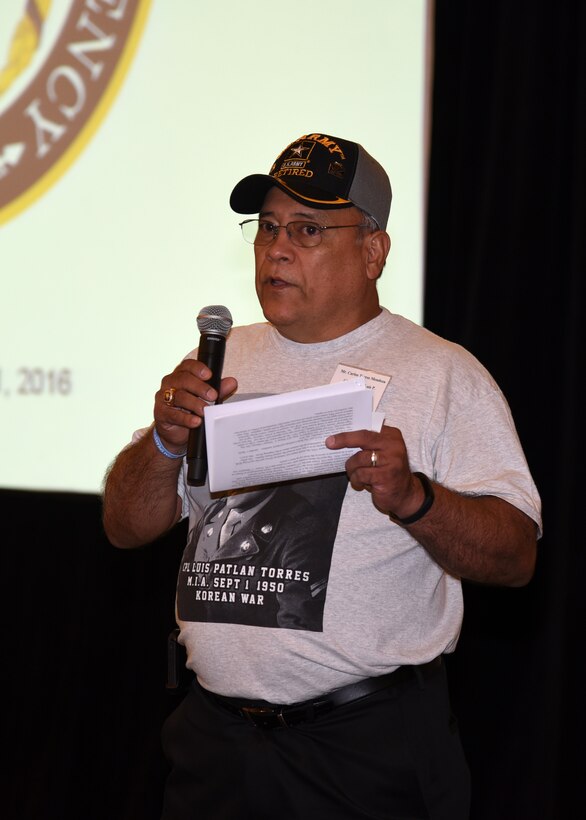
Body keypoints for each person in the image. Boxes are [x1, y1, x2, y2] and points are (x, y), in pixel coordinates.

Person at [102, 131, 542, 820]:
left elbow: (516, 557)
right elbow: (125, 527)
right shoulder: (220, 357)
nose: (277, 248)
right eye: (268, 227)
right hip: (214, 746)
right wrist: (162, 442)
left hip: (363, 754)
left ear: (373, 251)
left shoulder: (443, 374)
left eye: (307, 229)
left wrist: (415, 498)